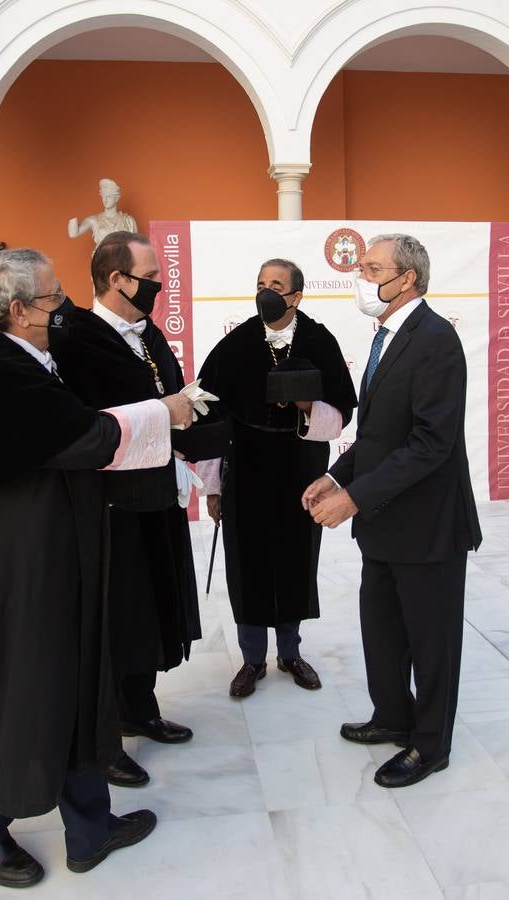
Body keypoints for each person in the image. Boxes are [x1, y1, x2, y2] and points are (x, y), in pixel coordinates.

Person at [0, 247, 194, 887]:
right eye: (55, 301)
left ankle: (91, 827)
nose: (66, 313)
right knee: (18, 692)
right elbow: (83, 438)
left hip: (61, 558)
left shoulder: (28, 362)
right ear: (18, 311)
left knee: (80, 681)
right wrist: (167, 412)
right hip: (18, 572)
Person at [302, 233, 482, 789]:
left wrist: (352, 499)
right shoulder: (385, 337)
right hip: (383, 523)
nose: (363, 277)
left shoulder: (435, 340)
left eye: (373, 268)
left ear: (407, 278)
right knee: (382, 632)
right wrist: (334, 476)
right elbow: (381, 436)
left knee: (431, 643)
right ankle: (392, 717)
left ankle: (430, 745)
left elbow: (431, 442)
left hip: (428, 527)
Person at [51, 230, 228, 789]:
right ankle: (104, 739)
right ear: (116, 279)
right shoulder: (78, 338)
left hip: (155, 495)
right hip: (111, 502)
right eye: (151, 276)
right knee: (114, 615)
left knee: (149, 605)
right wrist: (164, 410)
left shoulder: (148, 334)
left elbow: (168, 396)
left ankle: (138, 707)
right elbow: (93, 420)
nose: (159, 285)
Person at [195, 258, 356, 698]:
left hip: (300, 470)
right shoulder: (235, 345)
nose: (266, 291)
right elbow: (210, 417)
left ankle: (289, 652)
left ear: (296, 296)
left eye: (277, 285)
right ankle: (251, 660)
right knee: (246, 564)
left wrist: (307, 406)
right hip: (244, 469)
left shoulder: (320, 341)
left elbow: (342, 412)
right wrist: (212, 487)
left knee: (294, 559)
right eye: (261, 283)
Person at [67, 178, 138, 247]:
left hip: (123, 258)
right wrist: (71, 209)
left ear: (116, 198)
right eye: (103, 197)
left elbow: (136, 247)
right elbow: (73, 234)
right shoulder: (94, 220)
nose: (105, 200)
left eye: (109, 196)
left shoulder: (128, 220)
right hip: (102, 258)